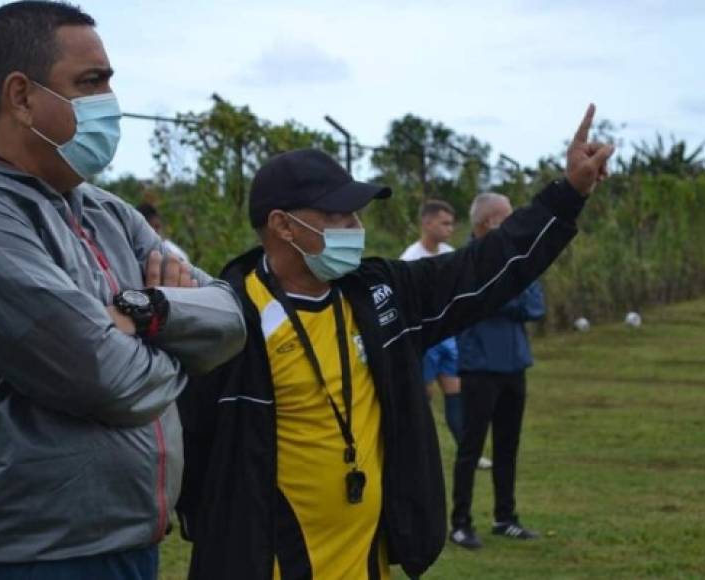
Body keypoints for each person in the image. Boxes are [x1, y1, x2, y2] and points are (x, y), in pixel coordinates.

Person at [0, 2, 246, 579]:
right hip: (24, 556)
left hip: (127, 540)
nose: (110, 103)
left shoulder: (106, 210)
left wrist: (147, 314)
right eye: (91, 82)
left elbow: (229, 316)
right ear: (22, 97)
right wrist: (181, 343)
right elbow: (109, 380)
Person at [176, 105, 613, 579]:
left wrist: (567, 195)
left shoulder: (381, 295)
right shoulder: (231, 319)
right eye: (338, 214)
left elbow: (486, 266)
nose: (355, 227)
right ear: (283, 225)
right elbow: (192, 452)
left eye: (356, 212)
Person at [449, 192, 546, 550]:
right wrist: (508, 295)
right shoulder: (467, 260)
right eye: (508, 216)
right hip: (479, 366)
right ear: (489, 222)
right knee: (470, 448)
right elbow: (478, 300)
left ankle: (505, 517)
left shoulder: (519, 256)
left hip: (514, 364)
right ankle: (460, 523)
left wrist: (506, 296)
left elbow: (534, 305)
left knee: (508, 445)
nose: (515, 221)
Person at [400, 200, 492, 471]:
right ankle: (420, 454)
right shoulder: (410, 259)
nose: (450, 229)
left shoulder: (451, 254)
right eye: (444, 223)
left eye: (452, 223)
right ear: (426, 223)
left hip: (448, 338)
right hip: (424, 341)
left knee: (455, 391)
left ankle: (469, 452)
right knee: (423, 396)